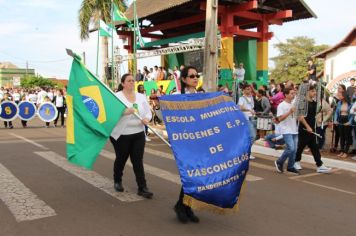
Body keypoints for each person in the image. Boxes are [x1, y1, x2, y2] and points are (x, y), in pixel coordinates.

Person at [110, 73, 153, 199]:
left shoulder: (141, 97)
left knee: (137, 160)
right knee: (121, 159)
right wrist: (123, 112)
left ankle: (142, 187)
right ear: (123, 83)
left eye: (133, 81)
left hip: (138, 134)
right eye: (129, 81)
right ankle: (117, 181)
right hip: (121, 134)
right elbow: (110, 114)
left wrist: (146, 118)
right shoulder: (116, 97)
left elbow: (148, 112)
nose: (132, 83)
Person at [172, 66, 200, 224]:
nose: (195, 78)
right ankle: (183, 206)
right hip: (184, 142)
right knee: (189, 176)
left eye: (197, 75)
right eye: (191, 76)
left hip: (199, 141)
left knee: (197, 176)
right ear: (183, 79)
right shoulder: (177, 96)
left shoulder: (201, 96)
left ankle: (185, 206)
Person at [294, 85, 331, 173]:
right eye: (313, 91)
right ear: (308, 92)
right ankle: (296, 161)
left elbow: (325, 110)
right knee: (300, 146)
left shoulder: (314, 103)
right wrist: (307, 127)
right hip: (304, 129)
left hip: (312, 128)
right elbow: (300, 117)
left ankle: (320, 165)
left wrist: (322, 119)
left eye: (315, 91)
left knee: (314, 147)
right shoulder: (302, 102)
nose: (315, 93)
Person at [274, 88, 299, 175]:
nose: (293, 95)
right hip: (286, 129)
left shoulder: (293, 104)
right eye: (291, 93)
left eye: (294, 93)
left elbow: (295, 117)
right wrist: (290, 112)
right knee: (291, 148)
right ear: (286, 95)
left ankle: (290, 166)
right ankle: (279, 162)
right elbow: (280, 118)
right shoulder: (281, 105)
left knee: (294, 150)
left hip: (294, 129)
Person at [238, 84, 257, 159]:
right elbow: (240, 107)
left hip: (252, 118)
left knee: (250, 136)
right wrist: (248, 110)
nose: (249, 90)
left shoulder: (252, 97)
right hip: (246, 119)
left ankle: (246, 152)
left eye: (249, 89)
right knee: (253, 136)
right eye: (247, 89)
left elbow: (251, 107)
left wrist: (253, 111)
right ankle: (246, 152)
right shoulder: (241, 98)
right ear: (243, 90)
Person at [334, 90, 353, 159]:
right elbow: (336, 112)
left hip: (347, 120)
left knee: (347, 137)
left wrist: (350, 122)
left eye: (341, 95)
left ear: (344, 96)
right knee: (341, 136)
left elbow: (352, 115)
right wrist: (335, 120)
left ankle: (345, 152)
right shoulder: (339, 103)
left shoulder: (350, 104)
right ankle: (342, 151)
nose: (339, 96)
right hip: (340, 120)